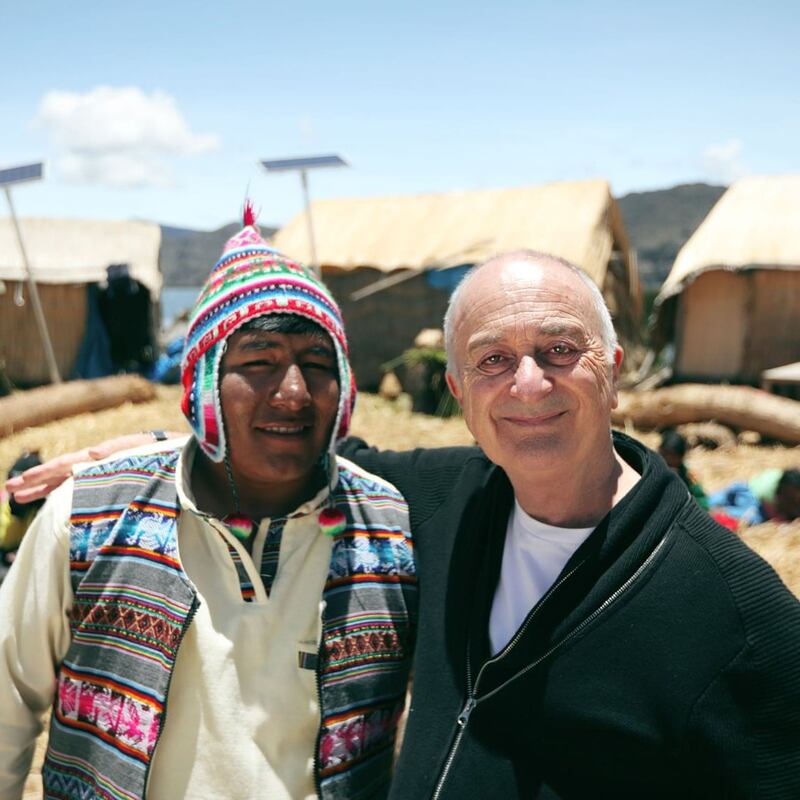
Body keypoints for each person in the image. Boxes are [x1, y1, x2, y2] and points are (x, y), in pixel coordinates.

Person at [10, 251, 800, 799]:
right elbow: (294, 447)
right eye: (493, 360)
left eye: (560, 349)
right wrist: (150, 453)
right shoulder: (438, 503)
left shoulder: (740, 613)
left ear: (616, 369)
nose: (528, 384)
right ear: (457, 390)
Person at [0, 209, 417, 800]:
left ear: (345, 388)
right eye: (259, 362)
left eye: (319, 365)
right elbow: (6, 699)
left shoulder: (387, 527)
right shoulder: (90, 514)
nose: (294, 391)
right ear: (202, 386)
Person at [708, 467, 800, 526]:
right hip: (751, 498)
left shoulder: (782, 480)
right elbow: (769, 508)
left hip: (744, 486)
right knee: (747, 517)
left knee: (712, 501)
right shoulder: (784, 492)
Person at [657, 428, 709, 508]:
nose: (668, 459)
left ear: (681, 457)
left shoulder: (688, 476)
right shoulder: (652, 469)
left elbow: (702, 501)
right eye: (665, 454)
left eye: (673, 456)